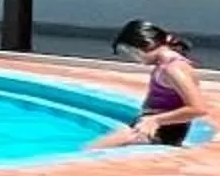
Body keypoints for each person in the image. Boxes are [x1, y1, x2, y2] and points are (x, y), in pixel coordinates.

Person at [84, 19, 213, 148]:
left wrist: (154, 120)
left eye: (132, 52)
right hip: (154, 127)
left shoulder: (173, 69)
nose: (134, 58)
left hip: (159, 131)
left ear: (146, 45)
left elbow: (198, 108)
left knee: (91, 150)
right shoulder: (165, 66)